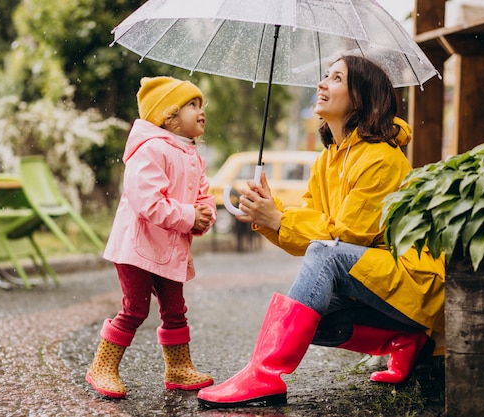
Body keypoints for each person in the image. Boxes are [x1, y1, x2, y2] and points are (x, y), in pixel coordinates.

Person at [198, 55, 445, 408]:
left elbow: (346, 237)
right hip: (377, 284)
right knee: (312, 311)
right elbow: (312, 228)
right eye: (324, 75)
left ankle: (264, 374)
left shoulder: (381, 158)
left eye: (336, 78)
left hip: (413, 283)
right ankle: (402, 340)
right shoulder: (328, 160)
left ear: (360, 97)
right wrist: (272, 214)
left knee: (324, 261)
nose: (322, 83)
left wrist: (279, 219)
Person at [86, 76, 216, 399]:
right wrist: (189, 217)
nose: (201, 111)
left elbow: (203, 196)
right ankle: (102, 366)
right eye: (192, 105)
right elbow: (149, 202)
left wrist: (204, 215)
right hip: (137, 247)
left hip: (169, 250)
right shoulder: (150, 150)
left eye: (202, 105)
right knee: (135, 308)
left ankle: (178, 368)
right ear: (168, 116)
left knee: (175, 309)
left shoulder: (193, 156)